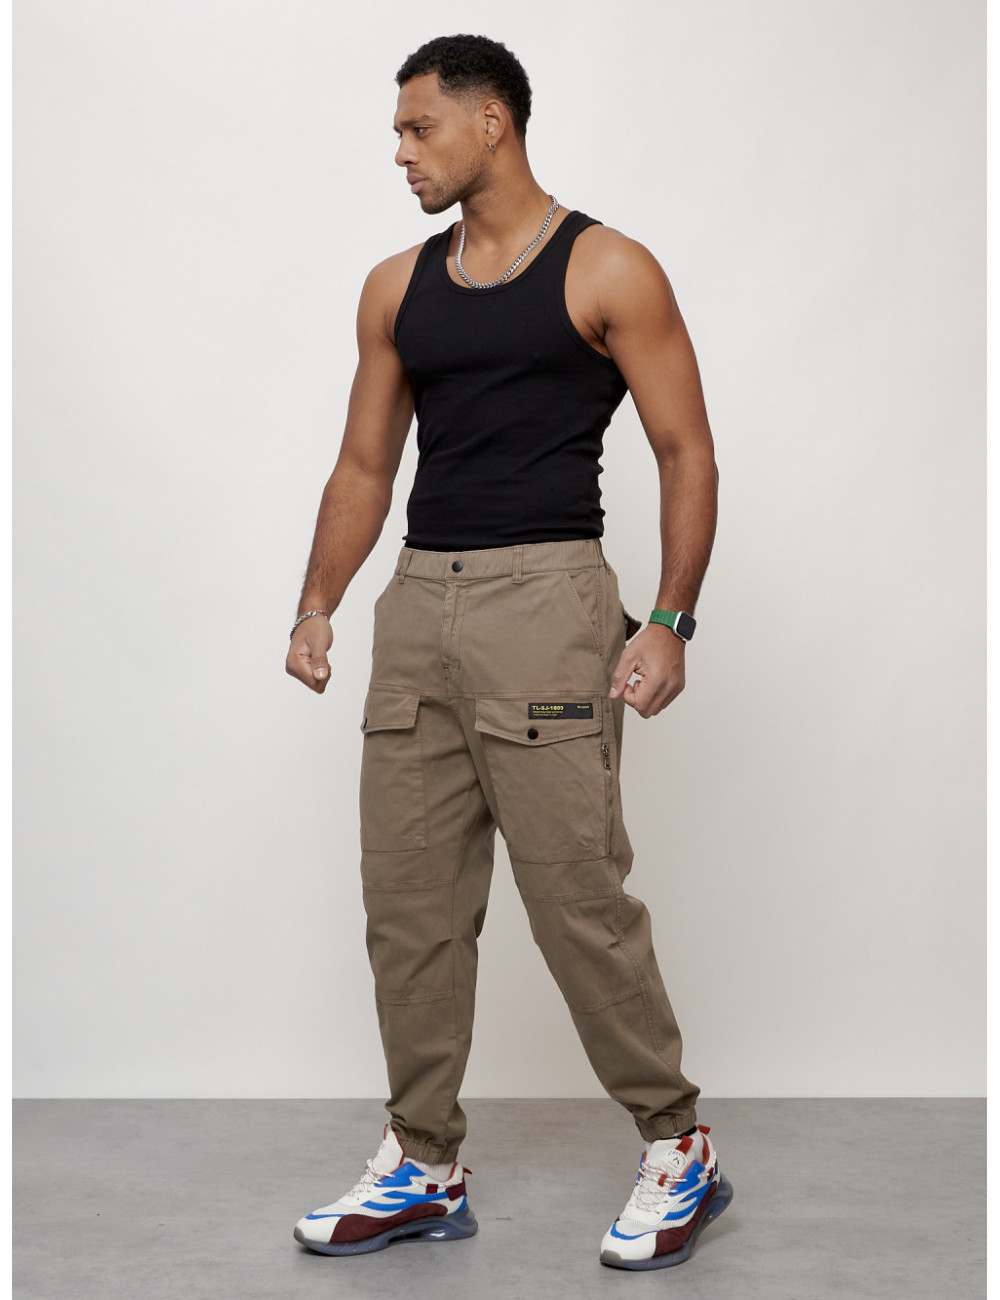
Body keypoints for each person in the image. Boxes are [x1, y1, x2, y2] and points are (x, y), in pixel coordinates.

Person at [285, 33, 732, 1271]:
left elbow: (686, 449)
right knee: (409, 907)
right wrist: (317, 603)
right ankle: (423, 1162)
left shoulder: (607, 266)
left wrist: (670, 619)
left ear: (491, 122)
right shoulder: (395, 288)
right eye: (397, 130)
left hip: (549, 600)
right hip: (416, 606)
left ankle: (678, 1145)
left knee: (577, 898)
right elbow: (364, 465)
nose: (400, 151)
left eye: (417, 127)